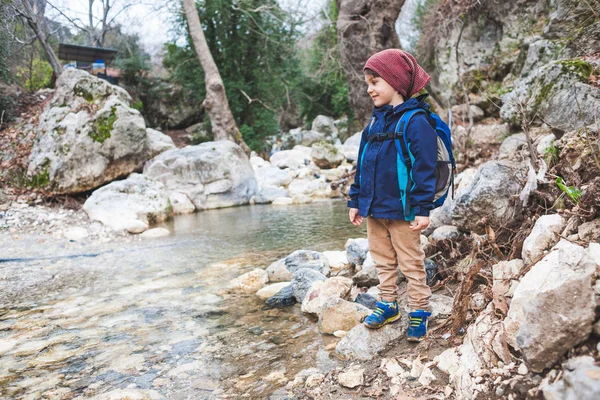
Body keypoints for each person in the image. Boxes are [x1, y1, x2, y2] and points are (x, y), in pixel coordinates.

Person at [347, 49, 437, 342]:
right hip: (374, 208)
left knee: (411, 261)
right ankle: (388, 304)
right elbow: (362, 164)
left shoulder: (415, 121)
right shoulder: (373, 123)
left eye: (375, 82)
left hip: (404, 209)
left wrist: (423, 208)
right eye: (368, 83)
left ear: (397, 82)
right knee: (382, 260)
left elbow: (425, 169)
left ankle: (420, 309)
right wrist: (356, 200)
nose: (369, 89)